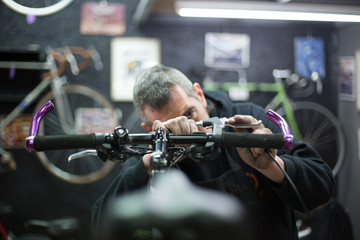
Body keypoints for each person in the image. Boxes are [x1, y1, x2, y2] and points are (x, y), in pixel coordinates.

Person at [92, 65, 335, 240]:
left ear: (199, 94)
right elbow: (100, 224)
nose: (186, 130)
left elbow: (323, 186)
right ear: (149, 128)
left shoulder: (249, 121)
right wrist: (148, 165)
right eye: (172, 126)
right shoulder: (153, 150)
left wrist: (273, 166)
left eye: (189, 114)